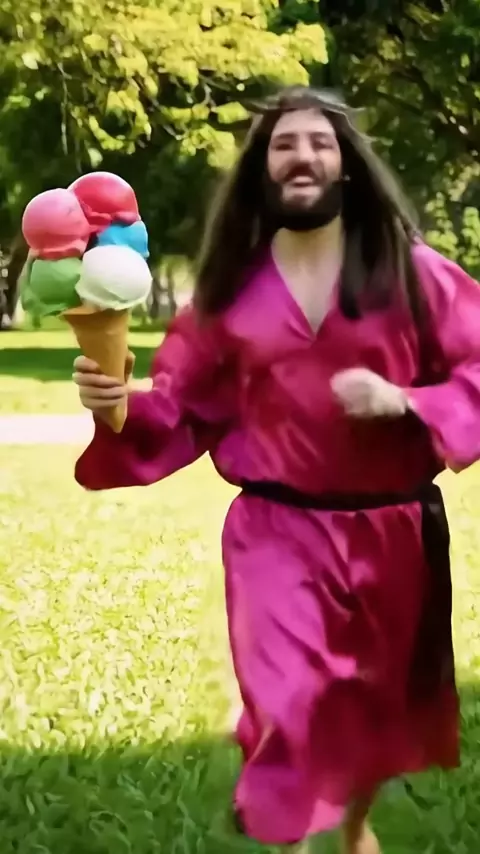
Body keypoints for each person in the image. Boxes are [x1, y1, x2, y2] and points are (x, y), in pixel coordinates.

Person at [72, 86, 480, 854]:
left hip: (393, 534)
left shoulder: (415, 275)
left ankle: (354, 832)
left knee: (372, 710)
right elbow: (180, 405)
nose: (302, 156)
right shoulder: (228, 295)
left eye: (319, 143)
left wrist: (408, 401)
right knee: (287, 707)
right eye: (284, 144)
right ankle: (287, 838)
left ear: (346, 166)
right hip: (276, 533)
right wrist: (116, 405)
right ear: (262, 168)